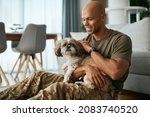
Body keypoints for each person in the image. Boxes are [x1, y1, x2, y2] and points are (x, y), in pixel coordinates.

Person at [0, 1, 132, 100]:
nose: (85, 23)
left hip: (105, 92)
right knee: (38, 76)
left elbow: (115, 73)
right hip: (81, 81)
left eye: (90, 19)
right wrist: (86, 69)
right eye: (83, 19)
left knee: (58, 88)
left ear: (103, 17)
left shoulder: (120, 40)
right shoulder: (86, 39)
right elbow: (68, 72)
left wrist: (90, 50)